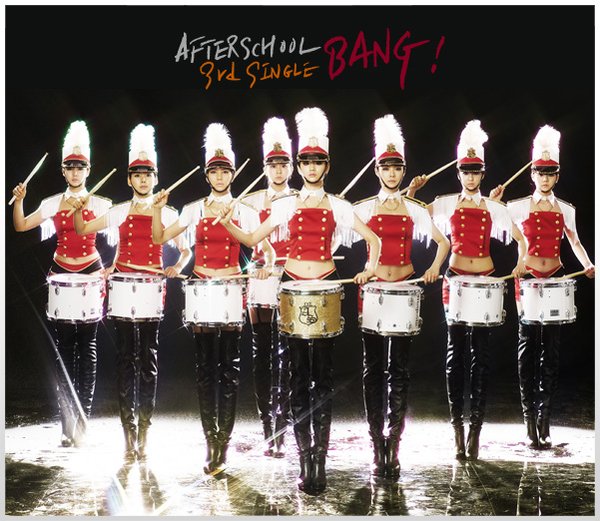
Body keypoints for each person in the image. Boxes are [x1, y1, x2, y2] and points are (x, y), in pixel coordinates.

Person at [218, 106, 381, 494]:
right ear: (300, 165)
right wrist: (226, 222)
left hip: (325, 286)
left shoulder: (339, 205)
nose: (310, 167)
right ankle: (304, 456)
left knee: (322, 376)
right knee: (296, 376)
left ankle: (319, 460)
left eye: (316, 161)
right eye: (305, 161)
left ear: (326, 165)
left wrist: (370, 269)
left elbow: (373, 240)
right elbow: (253, 239)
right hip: (291, 286)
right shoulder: (285, 204)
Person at [408, 120, 527, 461]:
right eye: (466, 171)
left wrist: (520, 263)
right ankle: (456, 429)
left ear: (482, 173)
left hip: (485, 281)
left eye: (476, 171)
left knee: (481, 358)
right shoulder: (445, 203)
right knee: (455, 354)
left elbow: (522, 241)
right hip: (456, 280)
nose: (471, 176)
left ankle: (476, 429)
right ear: (458, 172)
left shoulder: (494, 207)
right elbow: (413, 216)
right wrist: (413, 193)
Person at [72, 123, 191, 464]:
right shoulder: (120, 210)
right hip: (123, 286)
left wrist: (175, 266)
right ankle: (128, 434)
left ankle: (144, 434)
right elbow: (82, 228)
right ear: (129, 179)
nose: (142, 180)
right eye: (136, 175)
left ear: (155, 178)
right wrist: (80, 208)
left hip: (152, 287)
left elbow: (186, 251)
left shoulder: (167, 212)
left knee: (148, 359)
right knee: (126, 360)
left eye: (147, 174)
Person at [152, 122, 264, 475]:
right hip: (201, 288)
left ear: (232, 174)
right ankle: (209, 441)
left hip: (231, 289)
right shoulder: (193, 209)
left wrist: (260, 267)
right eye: (214, 171)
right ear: (207, 175)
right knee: (204, 370)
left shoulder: (244, 210)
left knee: (229, 369)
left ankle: (223, 443)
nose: (219, 176)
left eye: (224, 171)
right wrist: (156, 208)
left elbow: (262, 248)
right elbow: (159, 237)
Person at [352, 114, 450, 480]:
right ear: (377, 170)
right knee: (373, 369)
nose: (391, 173)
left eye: (397, 168)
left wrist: (434, 267)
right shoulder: (363, 207)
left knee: (400, 370)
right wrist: (364, 269)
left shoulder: (414, 208)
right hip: (373, 292)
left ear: (402, 170)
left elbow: (443, 242)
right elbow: (332, 238)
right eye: (386, 167)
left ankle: (393, 443)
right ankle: (375, 442)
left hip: (405, 289)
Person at [490, 125, 594, 448]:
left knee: (551, 351)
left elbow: (575, 242)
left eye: (550, 173)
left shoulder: (566, 210)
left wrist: (589, 264)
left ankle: (544, 420)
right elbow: (491, 223)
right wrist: (494, 202)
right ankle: (528, 422)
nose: (545, 178)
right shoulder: (517, 207)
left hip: (555, 280)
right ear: (532, 174)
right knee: (527, 348)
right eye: (540, 173)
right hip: (528, 280)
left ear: (557, 176)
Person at [12, 120, 112, 447]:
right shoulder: (53, 202)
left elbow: (125, 233)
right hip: (60, 273)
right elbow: (21, 225)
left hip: (91, 273)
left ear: (88, 170)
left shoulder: (100, 203)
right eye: (70, 167)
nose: (75, 172)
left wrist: (112, 267)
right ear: (63, 171)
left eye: (80, 167)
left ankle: (83, 419)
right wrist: (20, 199)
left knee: (88, 347)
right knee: (64, 350)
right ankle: (66, 423)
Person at [240, 117, 297, 458]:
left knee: (286, 356)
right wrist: (254, 266)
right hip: (260, 279)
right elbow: (242, 240)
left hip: (291, 279)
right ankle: (266, 426)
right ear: (265, 168)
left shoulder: (301, 199)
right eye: (272, 164)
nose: (278, 170)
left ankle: (282, 426)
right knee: (261, 353)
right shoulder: (251, 201)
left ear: (291, 167)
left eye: (283, 164)